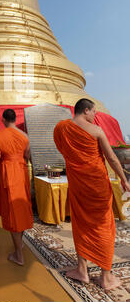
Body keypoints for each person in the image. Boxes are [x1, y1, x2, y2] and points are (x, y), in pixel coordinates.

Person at [53, 98, 130, 290]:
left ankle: (82, 270)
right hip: (97, 186)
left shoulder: (61, 128)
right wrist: (123, 178)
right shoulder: (96, 131)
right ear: (86, 110)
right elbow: (111, 158)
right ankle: (106, 276)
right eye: (94, 112)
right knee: (104, 225)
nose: (95, 116)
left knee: (81, 224)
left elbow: (62, 148)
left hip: (78, 184)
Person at [0, 109, 33, 266]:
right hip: (21, 173)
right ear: (15, 119)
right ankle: (19, 244)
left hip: (8, 174)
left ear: (3, 120)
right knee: (21, 208)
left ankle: (18, 255)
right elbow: (28, 156)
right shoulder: (25, 136)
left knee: (12, 214)